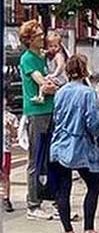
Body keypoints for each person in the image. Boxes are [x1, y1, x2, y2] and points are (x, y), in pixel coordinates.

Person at [49, 54, 99, 233]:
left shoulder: (60, 92)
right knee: (94, 185)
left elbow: (57, 117)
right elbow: (93, 122)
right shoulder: (88, 93)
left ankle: (68, 231)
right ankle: (89, 230)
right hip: (81, 146)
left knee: (63, 189)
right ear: (84, 70)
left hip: (60, 144)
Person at [19, 19, 57, 220]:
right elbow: (43, 83)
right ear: (29, 39)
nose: (43, 37)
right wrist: (50, 86)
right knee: (36, 160)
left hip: (48, 110)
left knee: (48, 159)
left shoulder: (40, 57)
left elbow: (49, 84)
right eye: (38, 35)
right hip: (36, 112)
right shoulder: (27, 59)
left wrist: (51, 86)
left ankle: (48, 198)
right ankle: (33, 205)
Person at [3, 93, 17, 212]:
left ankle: (6, 198)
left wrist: (10, 128)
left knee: (5, 175)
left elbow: (14, 136)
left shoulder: (10, 117)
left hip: (5, 149)